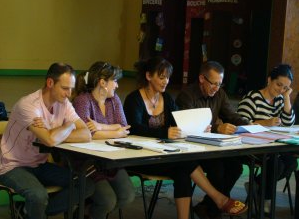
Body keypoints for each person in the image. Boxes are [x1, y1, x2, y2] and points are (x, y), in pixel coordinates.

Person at [124, 57, 247, 219]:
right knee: (186, 163)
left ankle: (206, 206)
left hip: (164, 153)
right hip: (142, 156)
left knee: (183, 171)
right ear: (148, 76)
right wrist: (165, 133)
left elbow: (181, 121)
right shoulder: (134, 99)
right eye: (161, 77)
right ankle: (219, 199)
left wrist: (198, 127)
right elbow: (134, 128)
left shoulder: (166, 99)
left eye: (167, 77)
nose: (165, 81)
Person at [0, 63, 95, 219]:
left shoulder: (64, 104)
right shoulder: (28, 105)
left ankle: (27, 211)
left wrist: (62, 128)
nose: (69, 94)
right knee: (38, 195)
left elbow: (86, 134)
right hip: (13, 165)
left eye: (71, 88)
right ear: (50, 83)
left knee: (86, 185)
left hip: (39, 164)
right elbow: (50, 141)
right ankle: (33, 210)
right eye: (65, 88)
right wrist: (67, 127)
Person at [176, 60, 250, 219]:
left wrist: (251, 125)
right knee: (217, 169)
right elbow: (189, 128)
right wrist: (217, 128)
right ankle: (214, 209)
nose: (216, 88)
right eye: (213, 84)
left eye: (220, 84)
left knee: (236, 167)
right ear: (202, 79)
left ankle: (208, 206)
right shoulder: (187, 95)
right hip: (192, 148)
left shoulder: (219, 94)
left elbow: (231, 116)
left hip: (212, 147)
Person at [72, 61, 135, 219]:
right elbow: (86, 134)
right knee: (108, 201)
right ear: (102, 82)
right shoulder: (83, 101)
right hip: (88, 162)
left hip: (110, 161)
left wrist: (99, 127)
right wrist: (115, 131)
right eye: (115, 81)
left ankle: (87, 211)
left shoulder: (114, 100)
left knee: (127, 196)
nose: (117, 86)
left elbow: (124, 128)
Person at [237, 64, 298, 213]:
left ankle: (257, 185)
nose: (281, 90)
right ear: (269, 80)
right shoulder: (253, 98)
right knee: (276, 164)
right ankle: (266, 199)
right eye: (278, 85)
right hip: (250, 145)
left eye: (285, 88)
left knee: (291, 163)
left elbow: (289, 123)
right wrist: (264, 123)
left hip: (273, 144)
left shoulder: (280, 100)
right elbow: (239, 124)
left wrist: (287, 98)